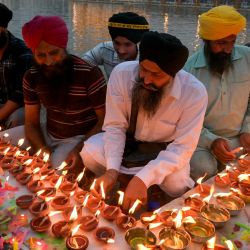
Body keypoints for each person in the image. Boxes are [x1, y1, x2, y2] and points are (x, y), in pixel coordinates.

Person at [80, 31, 208, 211]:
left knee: (177, 184)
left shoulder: (194, 93)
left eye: (156, 75)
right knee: (89, 152)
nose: (147, 79)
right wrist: (111, 171)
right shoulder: (121, 74)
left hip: (163, 151)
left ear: (173, 74)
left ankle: (150, 192)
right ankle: (123, 180)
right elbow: (115, 127)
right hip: (129, 146)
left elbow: (183, 147)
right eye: (144, 69)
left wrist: (143, 178)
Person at [2, 15, 106, 170]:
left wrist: (79, 149)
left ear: (64, 48)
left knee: (56, 173)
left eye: (54, 53)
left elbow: (104, 120)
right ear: (34, 54)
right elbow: (31, 123)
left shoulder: (89, 73)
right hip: (48, 132)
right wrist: (42, 149)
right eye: (41, 55)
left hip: (78, 139)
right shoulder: (31, 76)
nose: (49, 61)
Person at [184, 5, 250, 181]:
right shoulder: (189, 70)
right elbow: (185, 118)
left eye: (232, 42)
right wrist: (211, 141)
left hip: (239, 137)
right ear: (207, 40)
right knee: (203, 170)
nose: (228, 49)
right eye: (221, 43)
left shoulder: (248, 58)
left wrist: (247, 129)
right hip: (200, 142)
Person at [82, 12, 149, 79]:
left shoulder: (147, 58)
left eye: (127, 44)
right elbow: (82, 65)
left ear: (137, 42)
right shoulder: (104, 49)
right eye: (117, 43)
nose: (121, 51)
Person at [0, 3, 32, 129]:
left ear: (4, 28)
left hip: (16, 107)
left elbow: (20, 94)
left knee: (18, 118)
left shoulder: (23, 52)